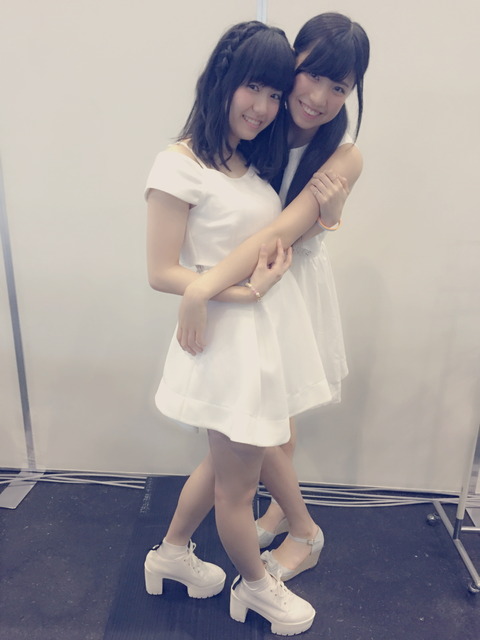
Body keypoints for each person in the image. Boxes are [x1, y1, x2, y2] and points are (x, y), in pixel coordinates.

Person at [144, 21, 328, 636]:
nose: (264, 107)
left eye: (275, 94)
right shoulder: (178, 165)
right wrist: (235, 291)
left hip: (253, 340)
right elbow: (160, 271)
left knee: (227, 465)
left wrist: (328, 214)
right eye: (254, 87)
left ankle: (171, 554)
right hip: (222, 344)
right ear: (222, 79)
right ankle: (255, 587)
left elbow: (278, 237)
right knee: (237, 485)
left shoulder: (249, 163)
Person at [175, 12, 370, 581]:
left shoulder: (343, 153)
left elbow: (281, 234)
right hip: (245, 282)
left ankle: (301, 528)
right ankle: (272, 518)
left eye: (340, 87)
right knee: (253, 422)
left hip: (289, 284)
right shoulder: (262, 122)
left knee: (267, 420)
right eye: (313, 76)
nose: (321, 98)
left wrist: (204, 285)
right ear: (292, 64)